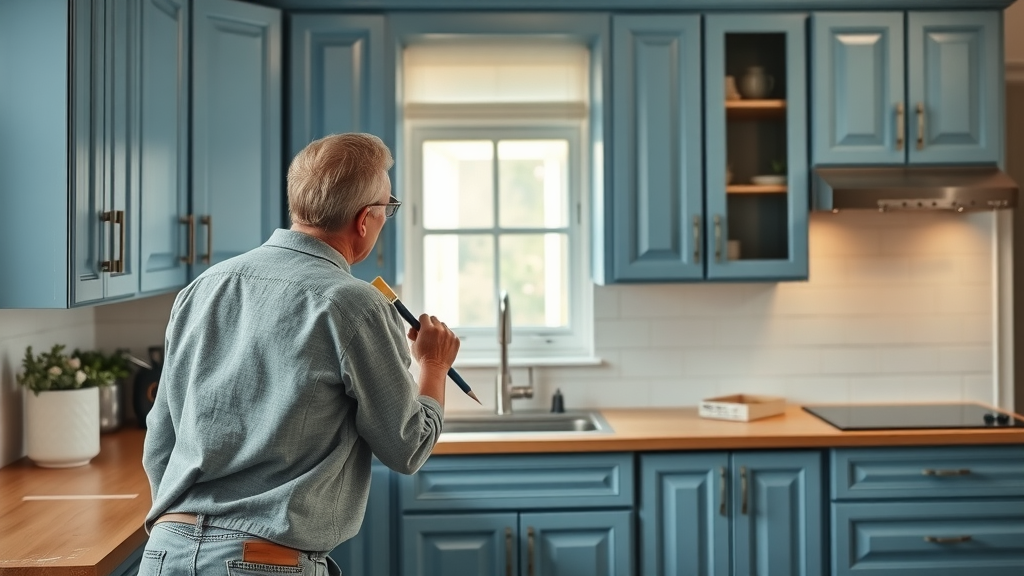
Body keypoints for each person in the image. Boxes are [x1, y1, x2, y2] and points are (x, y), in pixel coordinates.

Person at [138, 133, 460, 576]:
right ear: (365, 220)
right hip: (261, 563)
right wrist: (434, 366)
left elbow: (160, 439)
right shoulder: (354, 304)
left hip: (163, 554)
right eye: (388, 209)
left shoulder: (204, 287)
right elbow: (407, 447)